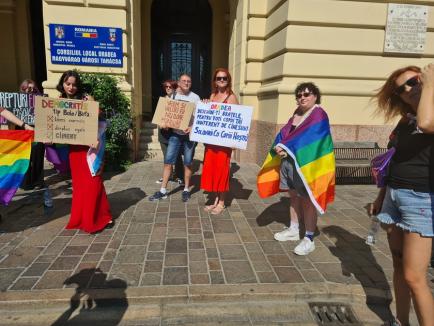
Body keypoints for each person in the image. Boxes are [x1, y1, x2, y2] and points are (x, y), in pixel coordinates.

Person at [371, 65, 434, 326]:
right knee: (398, 265)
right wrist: (380, 196)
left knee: (414, 277)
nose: (409, 89)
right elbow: (393, 159)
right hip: (393, 196)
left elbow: (427, 124)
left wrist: (429, 85)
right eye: (402, 88)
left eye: (414, 81)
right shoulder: (406, 119)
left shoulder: (427, 115)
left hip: (420, 200)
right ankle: (401, 321)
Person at [271, 82, 335, 255]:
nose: (302, 98)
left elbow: (309, 138)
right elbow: (286, 133)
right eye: (299, 95)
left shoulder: (319, 115)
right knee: (293, 197)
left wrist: (286, 146)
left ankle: (309, 238)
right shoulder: (296, 114)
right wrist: (278, 144)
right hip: (289, 164)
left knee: (307, 200)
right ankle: (293, 229)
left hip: (306, 166)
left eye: (306, 94)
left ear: (315, 96)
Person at [56, 70, 113, 233]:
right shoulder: (57, 102)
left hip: (90, 148)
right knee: (80, 185)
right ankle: (83, 218)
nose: (71, 87)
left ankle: (102, 216)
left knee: (94, 181)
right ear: (63, 84)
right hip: (74, 150)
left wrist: (94, 106)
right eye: (68, 84)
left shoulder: (86, 99)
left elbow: (101, 122)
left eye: (74, 84)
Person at [149, 73, 200, 203]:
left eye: (189, 81)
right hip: (175, 135)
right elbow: (163, 115)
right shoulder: (172, 96)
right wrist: (163, 124)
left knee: (188, 163)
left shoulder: (195, 98)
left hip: (189, 136)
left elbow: (200, 118)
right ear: (179, 82)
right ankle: (163, 191)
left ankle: (186, 189)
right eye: (184, 81)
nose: (187, 83)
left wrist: (192, 127)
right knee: (168, 162)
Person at [200, 68, 238, 215]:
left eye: (224, 78)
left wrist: (234, 142)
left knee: (222, 171)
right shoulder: (213, 95)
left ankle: (222, 202)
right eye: (218, 78)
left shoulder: (231, 97)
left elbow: (237, 121)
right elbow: (208, 115)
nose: (221, 80)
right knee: (213, 170)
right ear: (215, 81)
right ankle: (215, 199)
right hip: (211, 142)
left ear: (228, 80)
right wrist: (205, 104)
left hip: (224, 143)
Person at [17, 79, 53, 207]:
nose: (30, 91)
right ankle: (26, 182)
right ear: (23, 89)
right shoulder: (17, 101)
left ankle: (38, 180)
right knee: (26, 157)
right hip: (23, 131)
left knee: (37, 156)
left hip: (38, 130)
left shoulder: (40, 100)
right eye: (28, 88)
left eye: (32, 88)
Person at [156, 79, 184, 185]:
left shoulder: (178, 101)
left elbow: (180, 118)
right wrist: (161, 124)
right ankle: (168, 176)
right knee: (166, 156)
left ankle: (179, 176)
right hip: (163, 133)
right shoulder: (162, 100)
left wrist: (172, 125)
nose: (168, 88)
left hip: (174, 133)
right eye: (166, 87)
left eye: (170, 87)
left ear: (174, 88)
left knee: (176, 156)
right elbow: (158, 117)